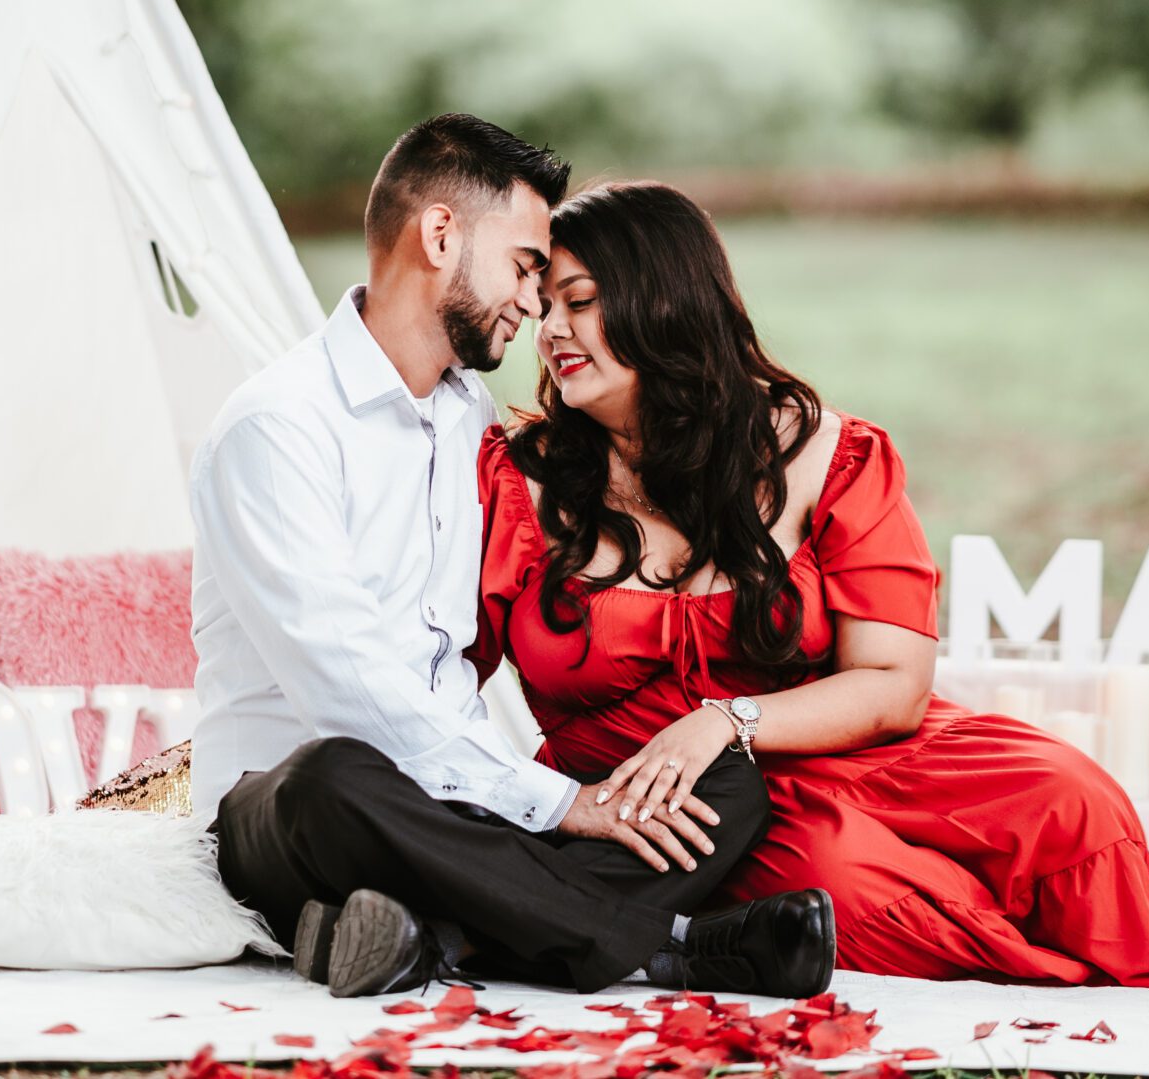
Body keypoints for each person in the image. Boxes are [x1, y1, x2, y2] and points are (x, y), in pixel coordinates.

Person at [474, 180, 1149, 999]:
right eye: (543, 302)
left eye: (578, 299)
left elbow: (893, 683)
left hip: (828, 736)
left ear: (666, 300)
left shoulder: (818, 450)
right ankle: (998, 949)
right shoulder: (517, 480)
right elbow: (444, 669)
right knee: (855, 887)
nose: (549, 328)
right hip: (689, 798)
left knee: (1074, 799)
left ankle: (1120, 937)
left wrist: (727, 717)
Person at [190, 116, 835, 999]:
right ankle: (672, 946)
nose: (536, 305)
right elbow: (349, 687)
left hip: (463, 813)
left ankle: (438, 932)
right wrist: (563, 805)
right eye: (529, 266)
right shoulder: (279, 428)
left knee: (726, 787)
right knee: (336, 771)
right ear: (441, 235)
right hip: (297, 810)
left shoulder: (475, 427)